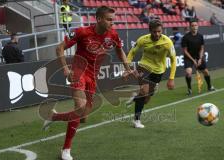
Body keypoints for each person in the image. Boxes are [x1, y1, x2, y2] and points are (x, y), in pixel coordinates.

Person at [42, 6, 134, 160]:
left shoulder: (113, 34)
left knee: (83, 117)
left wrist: (127, 68)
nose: (113, 23)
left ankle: (53, 117)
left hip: (93, 76)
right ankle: (65, 151)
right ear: (98, 19)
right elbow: (60, 48)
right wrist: (65, 70)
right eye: (109, 19)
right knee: (80, 109)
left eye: (114, 20)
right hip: (78, 73)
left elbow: (119, 50)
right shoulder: (82, 32)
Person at [125, 19, 177, 128]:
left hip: (158, 71)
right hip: (144, 67)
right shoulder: (143, 40)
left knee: (146, 99)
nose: (157, 34)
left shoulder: (167, 42)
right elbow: (132, 52)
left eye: (159, 31)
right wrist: (127, 67)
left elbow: (173, 59)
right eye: (154, 32)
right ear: (150, 31)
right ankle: (136, 121)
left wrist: (171, 78)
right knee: (144, 91)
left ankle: (135, 97)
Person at [181, 19, 215, 96]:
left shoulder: (200, 36)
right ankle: (189, 89)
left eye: (196, 25)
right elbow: (185, 51)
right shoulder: (185, 37)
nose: (194, 27)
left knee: (206, 72)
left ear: (198, 26)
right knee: (188, 72)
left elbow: (202, 48)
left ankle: (209, 86)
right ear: (190, 27)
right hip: (188, 57)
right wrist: (193, 60)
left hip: (198, 56)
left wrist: (199, 58)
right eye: (192, 25)